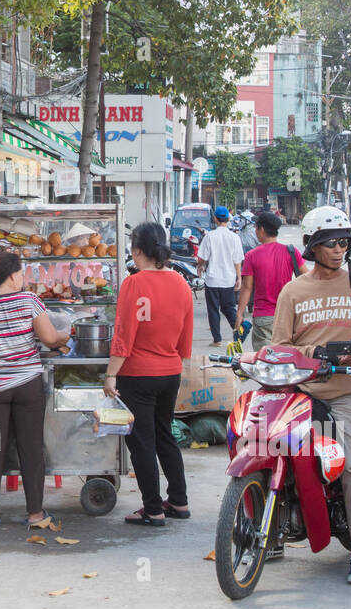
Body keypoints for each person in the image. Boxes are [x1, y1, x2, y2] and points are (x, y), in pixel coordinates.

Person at [268, 206, 351, 585]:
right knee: (275, 452)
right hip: (301, 393)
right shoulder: (293, 291)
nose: (339, 249)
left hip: (347, 394)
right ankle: (274, 531)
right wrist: (314, 355)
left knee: (349, 465)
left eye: (344, 242)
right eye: (331, 243)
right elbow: (280, 344)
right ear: (312, 247)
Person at [0, 252, 69, 527]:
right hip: (27, 387)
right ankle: (35, 514)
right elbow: (49, 338)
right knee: (31, 448)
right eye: (21, 273)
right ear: (12, 276)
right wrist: (67, 335)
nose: (23, 278)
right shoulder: (30, 301)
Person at [103, 223, 194, 526]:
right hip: (170, 372)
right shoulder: (181, 283)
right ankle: (179, 501)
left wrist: (111, 374)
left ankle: (153, 509)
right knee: (164, 434)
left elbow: (124, 334)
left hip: (138, 375)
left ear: (137, 250)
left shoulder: (134, 283)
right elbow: (185, 338)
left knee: (142, 441)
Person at [234, 211, 304, 351]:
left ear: (262, 230)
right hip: (287, 315)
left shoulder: (251, 256)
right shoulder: (291, 251)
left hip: (263, 316)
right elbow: (307, 279)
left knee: (265, 360)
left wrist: (239, 313)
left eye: (256, 228)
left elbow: (247, 287)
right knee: (285, 356)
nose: (255, 231)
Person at [195, 205, 243, 345]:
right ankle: (238, 332)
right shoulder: (234, 237)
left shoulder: (210, 236)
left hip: (212, 280)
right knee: (228, 308)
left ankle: (217, 340)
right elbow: (237, 260)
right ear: (228, 219)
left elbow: (202, 257)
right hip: (228, 279)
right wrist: (238, 277)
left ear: (215, 219)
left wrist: (200, 266)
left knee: (213, 309)